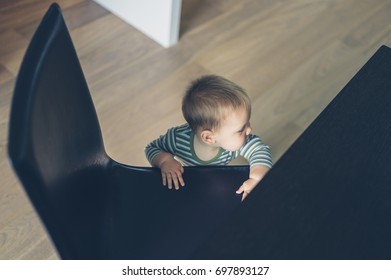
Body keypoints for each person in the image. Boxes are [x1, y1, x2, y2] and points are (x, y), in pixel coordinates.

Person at [145, 75, 272, 200]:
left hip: (215, 182)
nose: (249, 130)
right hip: (186, 183)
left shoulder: (241, 142)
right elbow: (152, 148)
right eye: (241, 129)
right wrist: (165, 161)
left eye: (247, 123)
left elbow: (259, 150)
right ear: (209, 138)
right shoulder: (178, 139)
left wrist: (256, 178)